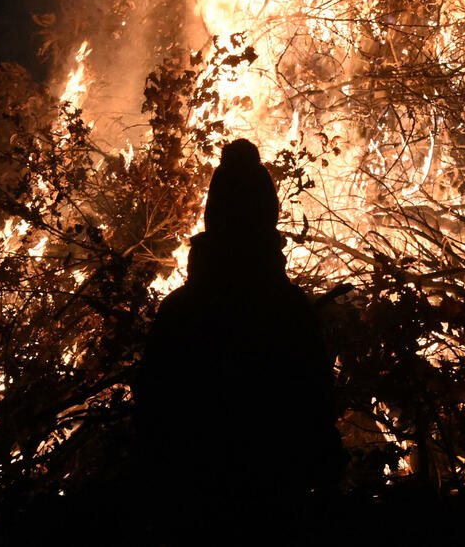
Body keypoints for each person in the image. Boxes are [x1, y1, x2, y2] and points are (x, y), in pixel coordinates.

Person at [137, 139, 344, 540]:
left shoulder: (180, 310)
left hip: (191, 506)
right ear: (268, 215)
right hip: (274, 504)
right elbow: (314, 402)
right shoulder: (287, 309)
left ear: (213, 215)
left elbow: (152, 415)